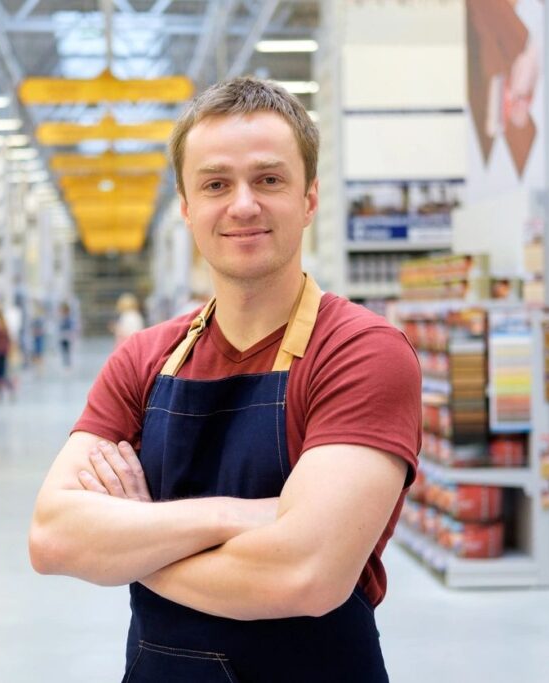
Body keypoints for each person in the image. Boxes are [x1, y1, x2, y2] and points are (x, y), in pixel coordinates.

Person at [29, 77, 421, 682]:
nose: (242, 205)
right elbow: (54, 538)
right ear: (187, 208)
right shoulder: (143, 359)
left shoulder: (360, 352)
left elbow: (304, 575)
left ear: (310, 199)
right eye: (216, 184)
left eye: (269, 180)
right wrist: (238, 518)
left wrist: (133, 548)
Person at [0, 308, 14, 401]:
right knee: (3, 372)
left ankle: (0, 392)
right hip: (4, 352)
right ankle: (7, 389)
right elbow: (9, 340)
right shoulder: (5, 326)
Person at [58, 301, 76, 369]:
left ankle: (68, 364)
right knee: (63, 350)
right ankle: (65, 363)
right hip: (63, 337)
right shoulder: (62, 318)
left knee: (67, 350)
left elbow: (71, 328)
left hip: (67, 337)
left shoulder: (69, 318)